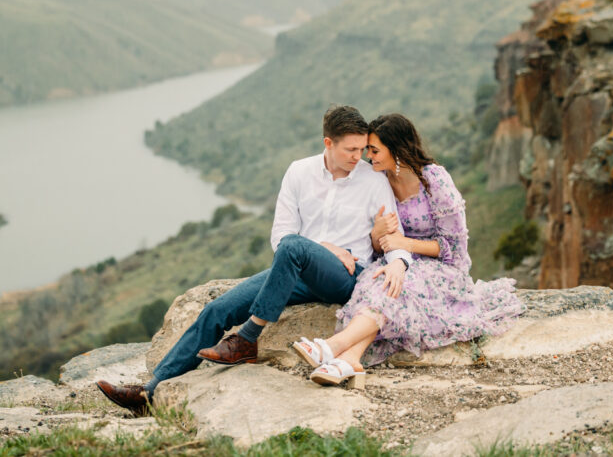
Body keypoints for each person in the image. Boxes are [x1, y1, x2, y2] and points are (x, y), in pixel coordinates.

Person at [96, 105, 413, 414]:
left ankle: (247, 339)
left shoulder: (372, 181)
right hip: (296, 271)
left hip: (344, 277)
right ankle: (149, 393)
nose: (358, 157)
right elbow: (281, 236)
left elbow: (393, 235)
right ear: (328, 143)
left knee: (293, 247)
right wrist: (326, 247)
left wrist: (399, 261)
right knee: (217, 309)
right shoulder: (299, 172)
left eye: (361, 149)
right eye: (350, 149)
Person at [291, 113, 524, 387]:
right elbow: (380, 248)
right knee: (378, 282)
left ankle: (332, 346)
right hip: (395, 262)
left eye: (375, 150)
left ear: (397, 149)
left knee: (399, 285)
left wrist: (406, 245)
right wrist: (378, 234)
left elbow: (455, 248)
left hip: (442, 267)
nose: (369, 157)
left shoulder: (434, 180)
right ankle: (351, 359)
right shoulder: (380, 182)